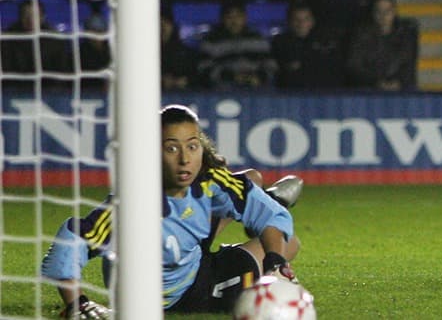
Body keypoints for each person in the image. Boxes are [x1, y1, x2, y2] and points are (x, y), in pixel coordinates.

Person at [41, 104, 302, 316]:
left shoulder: (208, 181)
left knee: (255, 188)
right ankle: (268, 200)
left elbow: (272, 219)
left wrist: (275, 265)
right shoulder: (132, 205)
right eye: (171, 148)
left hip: (192, 257)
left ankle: (263, 200)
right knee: (289, 243)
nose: (185, 158)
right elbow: (69, 243)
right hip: (185, 293)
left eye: (192, 145)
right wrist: (77, 304)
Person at [345, 0, 418, 91]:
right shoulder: (361, 35)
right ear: (373, 13)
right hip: (368, 89)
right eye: (379, 11)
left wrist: (398, 82)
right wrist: (376, 82)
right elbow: (355, 66)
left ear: (394, 12)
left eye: (387, 11)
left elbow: (408, 66)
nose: (383, 16)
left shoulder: (405, 35)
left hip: (400, 89)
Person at [197, 3, 277, 89]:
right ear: (222, 18)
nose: (234, 21)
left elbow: (271, 66)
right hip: (222, 92)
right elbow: (204, 67)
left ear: (245, 18)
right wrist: (232, 77)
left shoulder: (258, 39)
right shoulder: (210, 41)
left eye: (238, 16)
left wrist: (259, 77)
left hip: (256, 90)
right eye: (229, 17)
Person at [272, 3, 347, 90]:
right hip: (290, 95)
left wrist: (303, 64)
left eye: (306, 19)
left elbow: (332, 68)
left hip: (324, 94)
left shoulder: (325, 40)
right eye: (296, 20)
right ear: (289, 21)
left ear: (312, 21)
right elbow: (282, 68)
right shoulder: (280, 41)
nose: (301, 24)